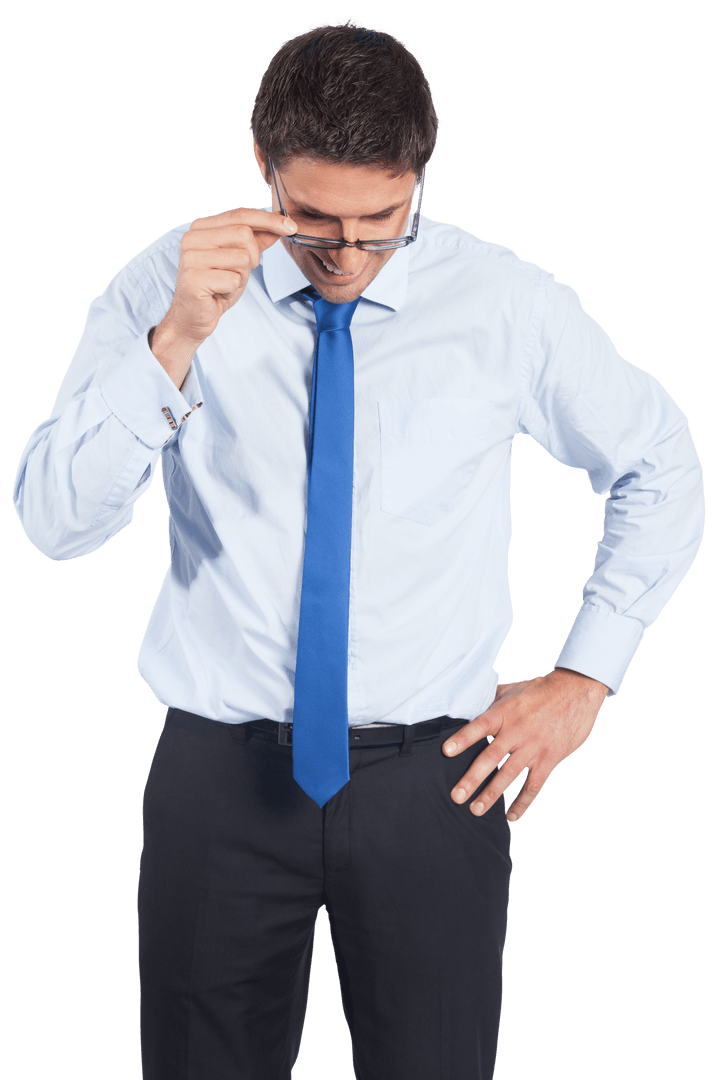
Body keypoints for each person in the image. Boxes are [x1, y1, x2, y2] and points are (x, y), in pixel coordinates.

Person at [12, 17, 704, 1080]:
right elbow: (56, 524)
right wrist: (174, 344)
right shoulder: (169, 283)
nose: (346, 256)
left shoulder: (503, 303)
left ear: (420, 175)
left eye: (381, 223)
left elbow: (657, 461)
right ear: (264, 167)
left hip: (435, 781)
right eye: (313, 220)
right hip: (218, 775)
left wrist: (584, 676)